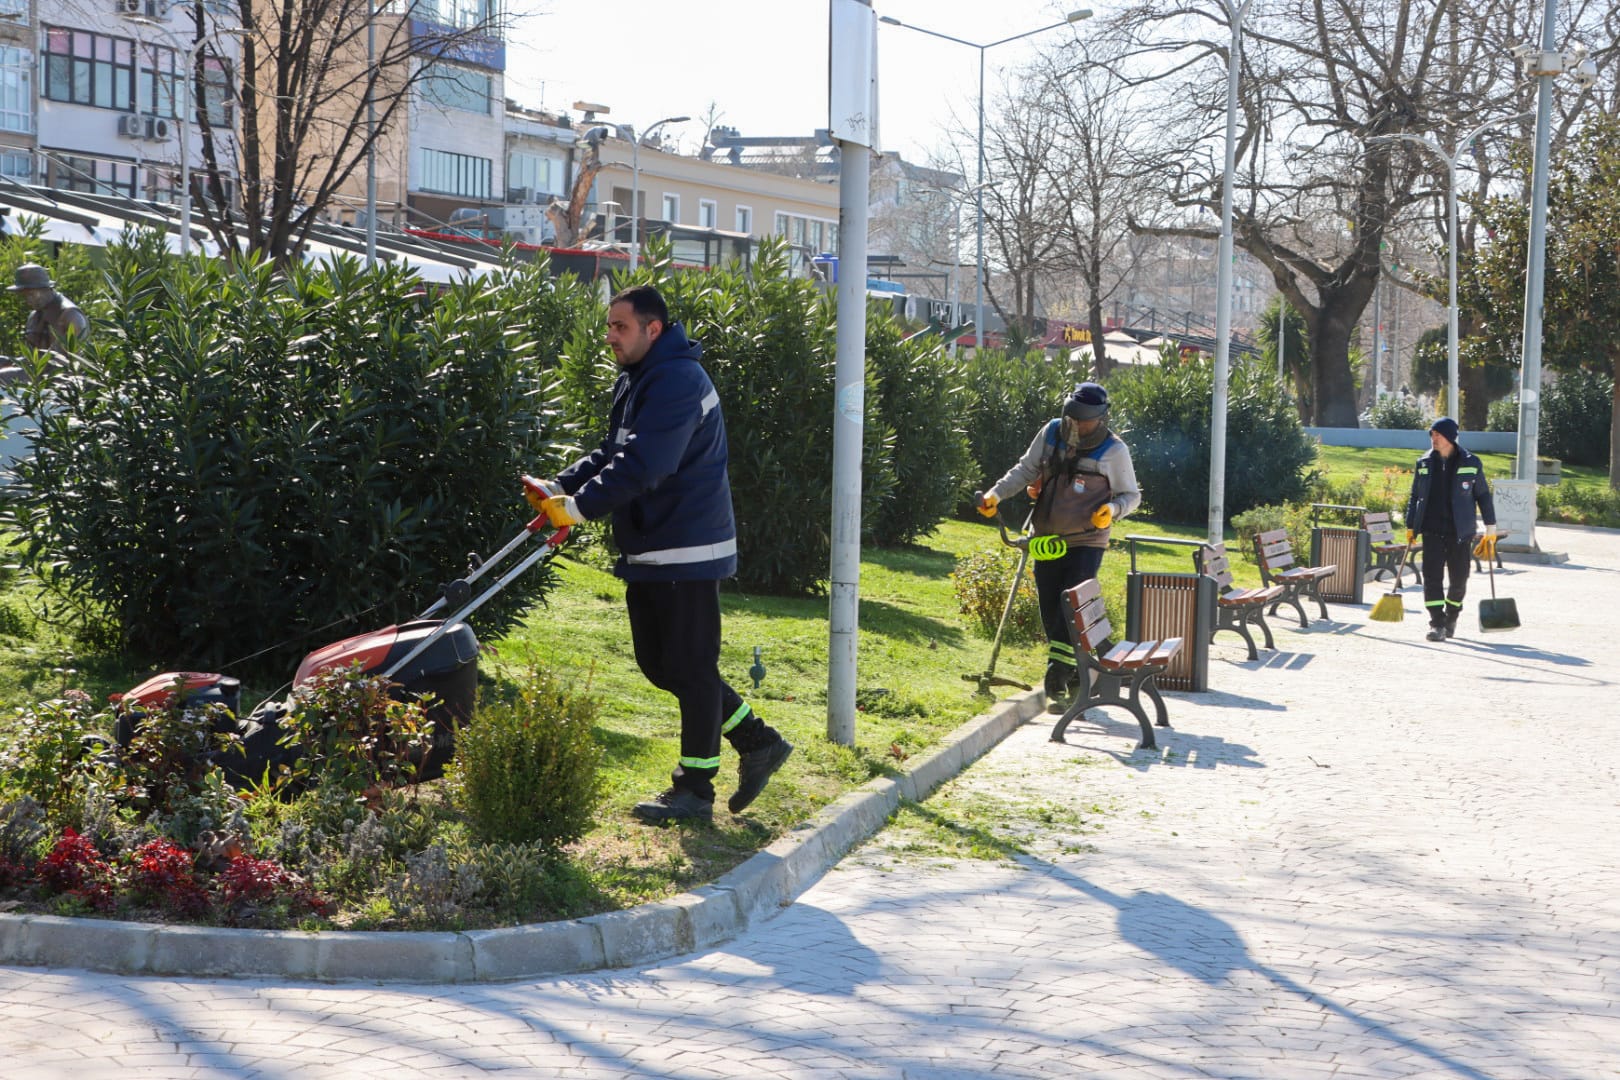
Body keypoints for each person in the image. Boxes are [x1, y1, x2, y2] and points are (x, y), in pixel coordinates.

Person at [532, 284, 792, 824]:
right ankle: (757, 740)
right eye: (609, 326)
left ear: (653, 329)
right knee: (662, 664)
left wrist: (577, 509)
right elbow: (615, 452)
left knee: (691, 669)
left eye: (620, 327)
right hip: (654, 544)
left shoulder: (675, 380)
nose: (610, 337)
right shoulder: (641, 377)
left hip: (686, 546)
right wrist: (560, 486)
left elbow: (647, 463)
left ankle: (695, 790)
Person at [976, 382, 1141, 710]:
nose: (1076, 425)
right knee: (1051, 610)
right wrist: (996, 494)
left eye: (1084, 421)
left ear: (1101, 418)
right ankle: (1077, 675)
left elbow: (1131, 495)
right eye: (1072, 418)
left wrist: (1112, 510)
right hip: (1046, 538)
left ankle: (1058, 678)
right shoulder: (1051, 432)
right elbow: (1025, 470)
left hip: (1086, 541)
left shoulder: (1114, 450)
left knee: (1071, 606)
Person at [1404, 416, 1496, 642]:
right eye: (1432, 435)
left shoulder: (1471, 462)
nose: (1433, 438)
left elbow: (1483, 495)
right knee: (1432, 577)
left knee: (1459, 578)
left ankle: (1452, 616)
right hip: (1432, 530)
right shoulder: (1424, 463)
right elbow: (1415, 495)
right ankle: (1437, 623)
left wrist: (1491, 526)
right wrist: (1410, 525)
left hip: (1460, 531)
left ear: (1450, 437)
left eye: (1438, 435)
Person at [9, 264, 89, 355]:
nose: (28, 301)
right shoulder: (34, 316)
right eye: (24, 296)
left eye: (31, 294)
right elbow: (32, 355)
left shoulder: (70, 315)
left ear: (46, 289)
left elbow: (77, 357)